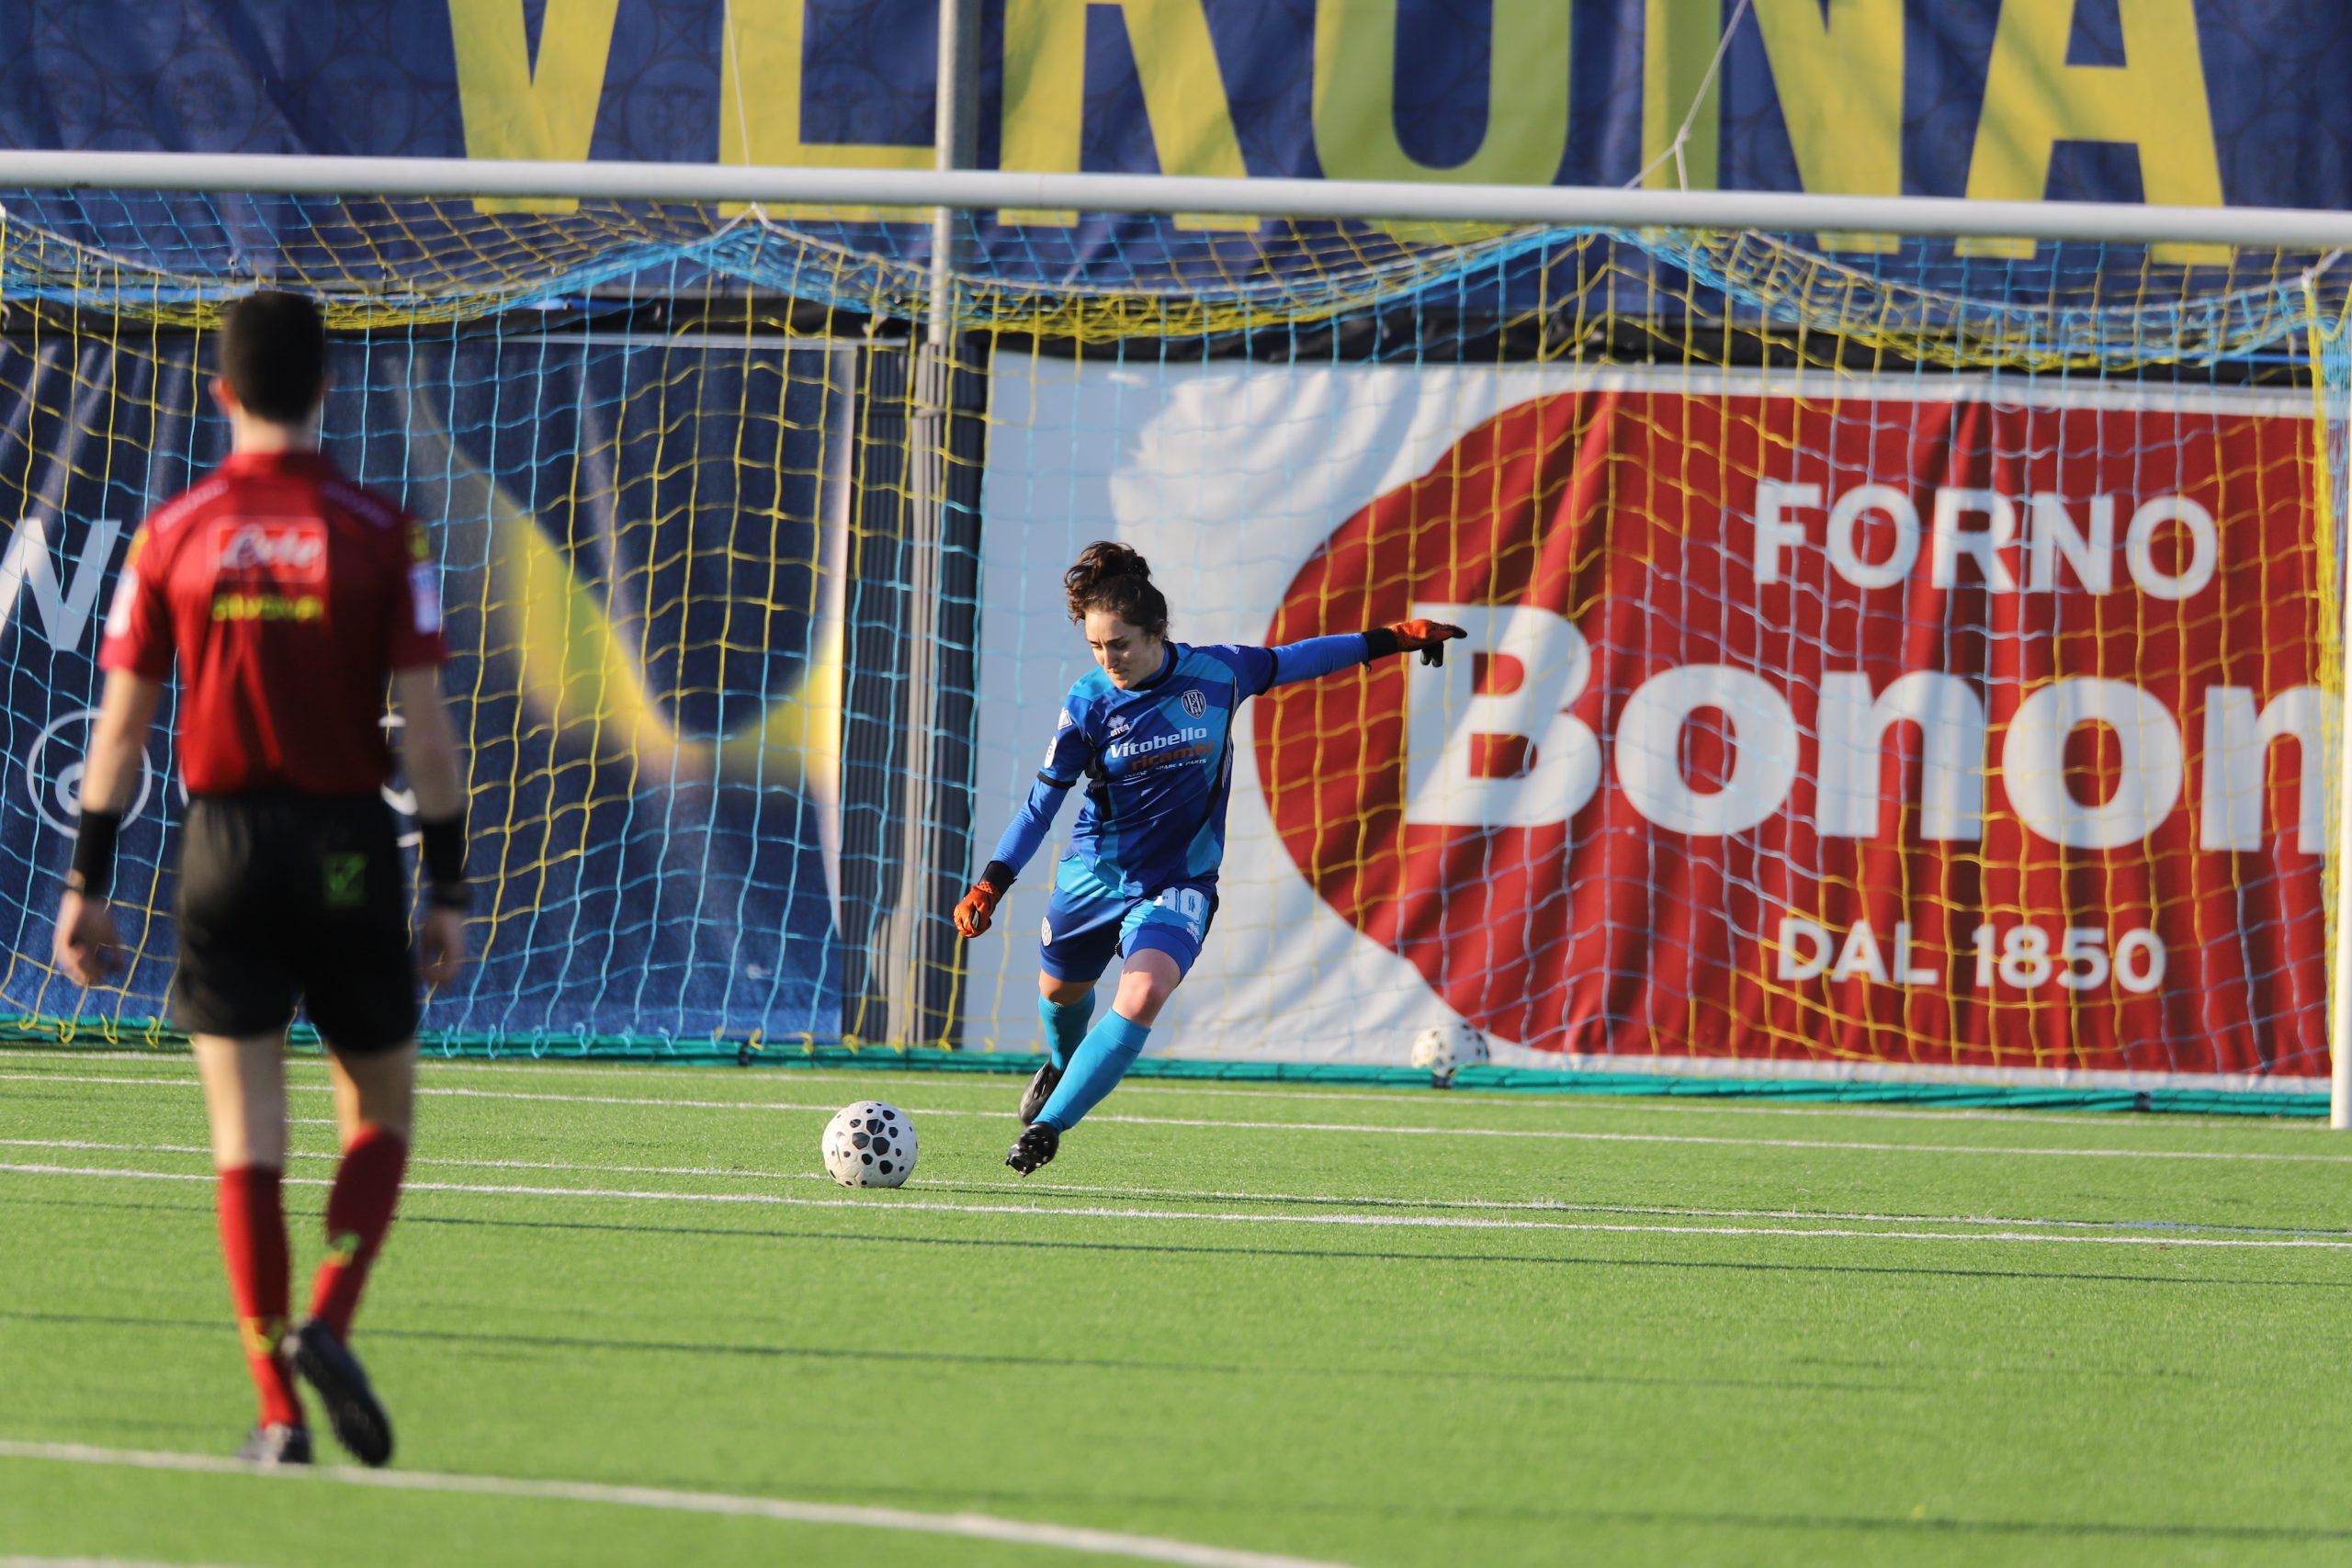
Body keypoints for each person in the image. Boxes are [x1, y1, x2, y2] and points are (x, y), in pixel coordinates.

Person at [51, 291, 470, 1468]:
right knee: (379, 1114)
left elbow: (120, 733)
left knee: (248, 1141)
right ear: (326, 388)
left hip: (222, 849)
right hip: (343, 847)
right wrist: (447, 888)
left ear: (222, 393)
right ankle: (329, 1318)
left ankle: (278, 1415)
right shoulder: (383, 530)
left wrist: (87, 882)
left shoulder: (172, 533)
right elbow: (430, 737)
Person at [955, 541, 1463, 1174]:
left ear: (1156, 632)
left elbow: (1303, 658)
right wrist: (992, 883)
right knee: (1060, 993)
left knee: (1143, 993)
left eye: (1120, 644)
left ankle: (1049, 1127)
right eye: (1096, 647)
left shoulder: (1219, 673)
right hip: (1093, 878)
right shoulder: (1089, 702)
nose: (1109, 659)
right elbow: (1039, 808)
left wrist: (1395, 639)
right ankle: (1062, 1064)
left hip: (1180, 881)